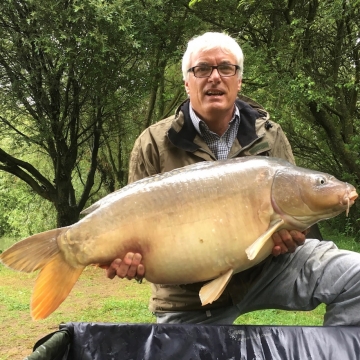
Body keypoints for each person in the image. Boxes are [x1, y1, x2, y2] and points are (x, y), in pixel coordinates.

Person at [106, 32, 360, 326]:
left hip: (269, 269)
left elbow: (298, 220)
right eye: (202, 69)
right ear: (187, 82)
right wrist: (130, 261)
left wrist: (293, 235)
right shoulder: (153, 143)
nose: (214, 77)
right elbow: (131, 228)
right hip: (189, 294)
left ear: (238, 80)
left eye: (226, 68)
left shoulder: (270, 134)